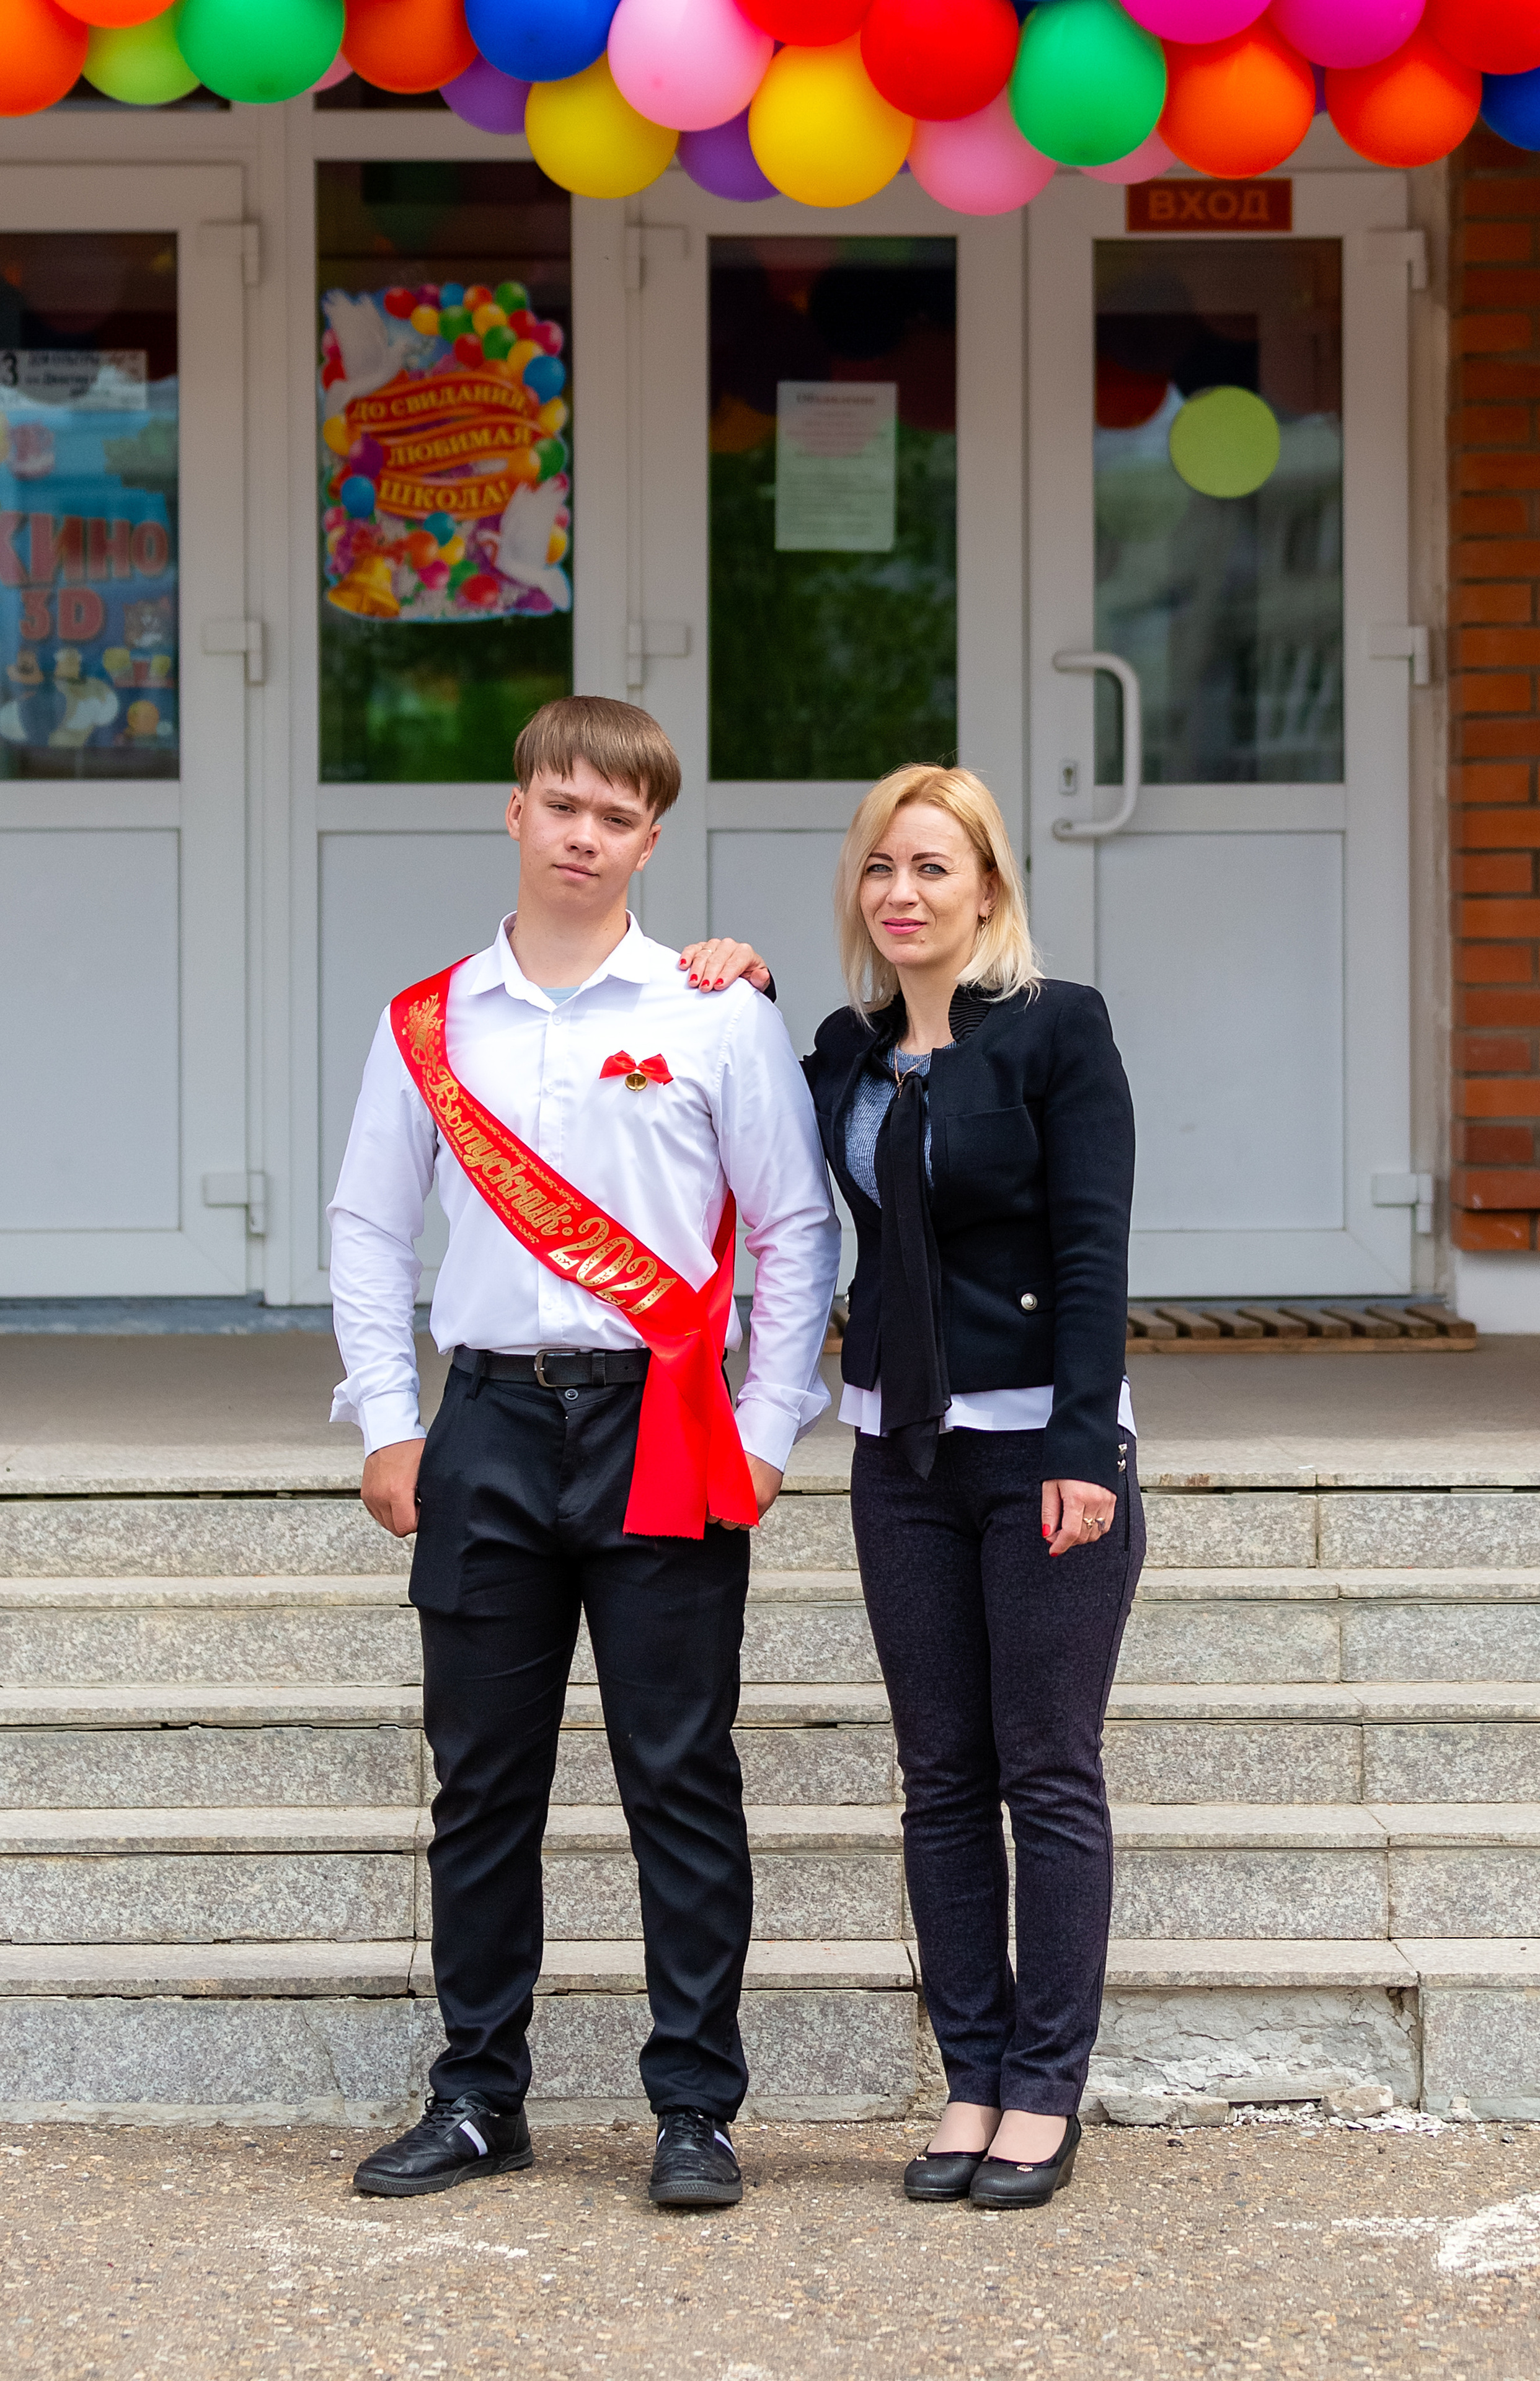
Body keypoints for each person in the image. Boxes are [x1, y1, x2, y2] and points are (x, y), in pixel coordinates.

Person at [328, 695, 839, 2207]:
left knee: (678, 1778)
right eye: (560, 804)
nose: (582, 835)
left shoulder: (713, 1012)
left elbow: (796, 1229)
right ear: (516, 812)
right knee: (482, 1786)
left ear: (648, 841)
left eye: (615, 817)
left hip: (663, 1425)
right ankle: (478, 2095)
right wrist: (389, 1419)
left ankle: (694, 2107)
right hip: (485, 1421)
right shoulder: (428, 1021)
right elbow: (367, 1226)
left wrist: (766, 1430)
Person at [687, 763, 1141, 2210]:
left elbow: (1091, 1251)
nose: (901, 892)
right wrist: (741, 988)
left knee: (1043, 1769)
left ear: (986, 888)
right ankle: (970, 2074)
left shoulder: (1059, 1029)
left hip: (1039, 1451)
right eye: (881, 867)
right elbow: (753, 1125)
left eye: (933, 867)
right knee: (939, 1776)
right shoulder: (842, 1047)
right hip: (899, 1451)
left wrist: (1081, 1446)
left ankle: (1043, 2088)